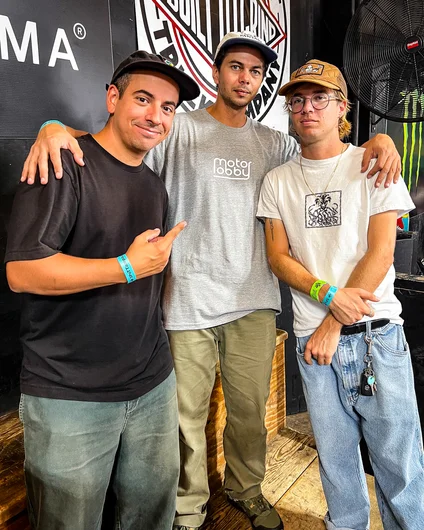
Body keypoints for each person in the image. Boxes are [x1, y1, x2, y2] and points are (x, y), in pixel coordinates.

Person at [21, 33, 401, 530]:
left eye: (256, 72)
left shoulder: (276, 144)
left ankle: (247, 490)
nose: (246, 78)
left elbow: (325, 146)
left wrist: (381, 139)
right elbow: (111, 146)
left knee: (250, 416)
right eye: (236, 67)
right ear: (216, 73)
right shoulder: (178, 128)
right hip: (186, 303)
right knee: (185, 425)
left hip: (253, 302)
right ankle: (188, 508)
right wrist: (52, 128)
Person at [5, 51, 199, 530]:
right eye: (143, 99)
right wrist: (126, 268)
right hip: (70, 394)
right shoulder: (63, 161)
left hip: (152, 384)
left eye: (168, 107)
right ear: (113, 98)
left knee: (152, 517)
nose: (155, 115)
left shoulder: (154, 186)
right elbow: (24, 272)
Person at [257, 59, 424, 530]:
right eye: (297, 101)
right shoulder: (278, 181)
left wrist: (335, 321)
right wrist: (326, 295)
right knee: (336, 466)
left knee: (402, 467)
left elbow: (382, 251)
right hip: (315, 349)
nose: (307, 108)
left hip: (377, 339)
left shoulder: (372, 162)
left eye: (319, 98)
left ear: (341, 108)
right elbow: (278, 256)